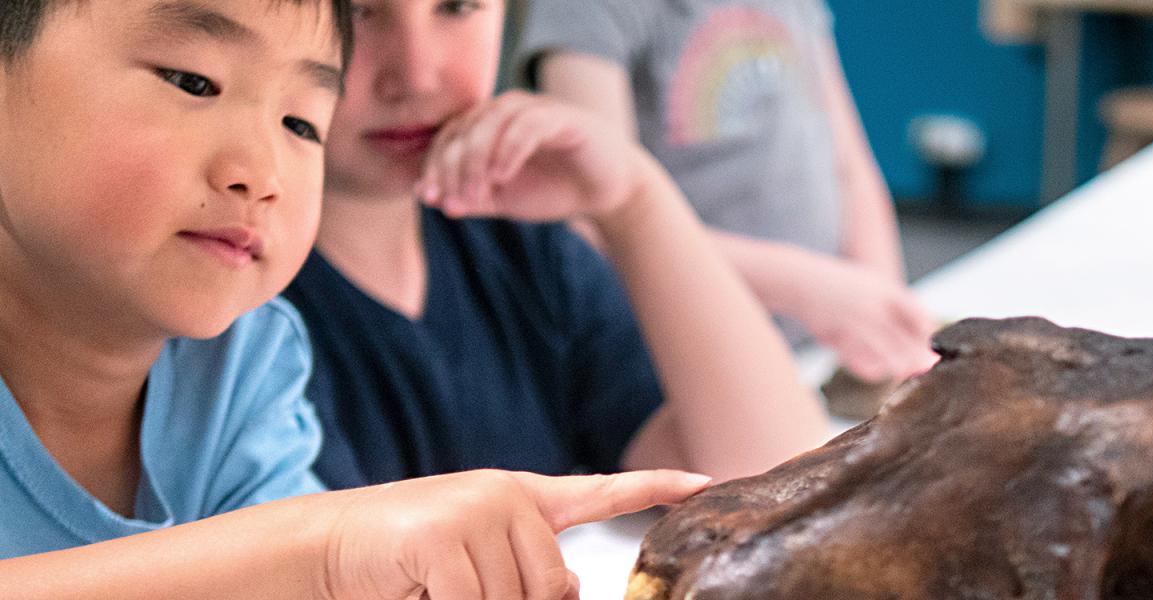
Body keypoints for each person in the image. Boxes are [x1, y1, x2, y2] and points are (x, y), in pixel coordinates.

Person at [0, 1, 706, 597]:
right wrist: (327, 549)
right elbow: (311, 556)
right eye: (193, 80)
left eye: (302, 123)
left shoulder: (245, 361)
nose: (263, 172)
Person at [281, 0, 830, 490]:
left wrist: (634, 203)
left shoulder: (524, 250)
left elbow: (776, 482)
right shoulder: (244, 307)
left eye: (457, 7)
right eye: (356, 12)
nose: (416, 76)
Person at [520, 0, 939, 383]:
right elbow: (596, 225)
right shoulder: (584, 9)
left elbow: (849, 166)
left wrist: (883, 306)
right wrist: (810, 289)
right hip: (693, 372)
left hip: (825, 344)